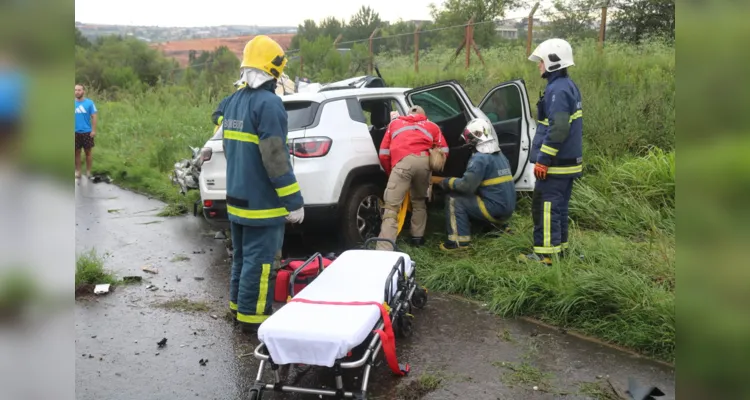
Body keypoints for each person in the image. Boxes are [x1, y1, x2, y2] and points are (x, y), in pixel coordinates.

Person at [212, 35, 304, 333]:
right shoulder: (269, 104)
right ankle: (254, 322)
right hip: (262, 206)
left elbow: (228, 146)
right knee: (261, 264)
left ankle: (239, 310)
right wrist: (294, 202)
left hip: (237, 198)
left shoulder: (235, 101)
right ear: (274, 69)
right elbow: (275, 158)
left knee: (242, 259)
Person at [520, 38, 583, 265]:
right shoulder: (567, 85)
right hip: (567, 162)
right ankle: (559, 249)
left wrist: (544, 160)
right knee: (558, 208)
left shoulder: (557, 89)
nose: (539, 65)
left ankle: (545, 255)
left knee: (545, 207)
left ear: (553, 62)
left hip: (556, 163)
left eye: (541, 61)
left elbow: (558, 128)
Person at [431, 119, 516, 251]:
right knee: (478, 194)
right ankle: (497, 227)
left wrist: (442, 181)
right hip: (507, 209)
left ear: (473, 138)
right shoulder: (500, 155)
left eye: (468, 138)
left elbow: (466, 186)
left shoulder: (479, 158)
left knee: (454, 199)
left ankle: (458, 243)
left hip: (495, 209)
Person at [376, 105, 449, 250]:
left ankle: (384, 248)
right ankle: (417, 238)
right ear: (424, 115)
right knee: (419, 201)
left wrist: (391, 172)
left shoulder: (395, 124)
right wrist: (434, 165)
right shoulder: (432, 126)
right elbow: (445, 150)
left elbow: (383, 153)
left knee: (391, 206)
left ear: (408, 114)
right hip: (424, 164)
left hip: (402, 163)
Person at [74, 84, 97, 179]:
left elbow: (94, 116)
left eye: (79, 90)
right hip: (75, 132)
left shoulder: (89, 103)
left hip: (87, 132)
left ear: (83, 91)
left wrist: (93, 130)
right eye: (75, 90)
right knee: (76, 153)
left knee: (88, 153)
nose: (77, 92)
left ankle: (88, 172)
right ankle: (78, 172)